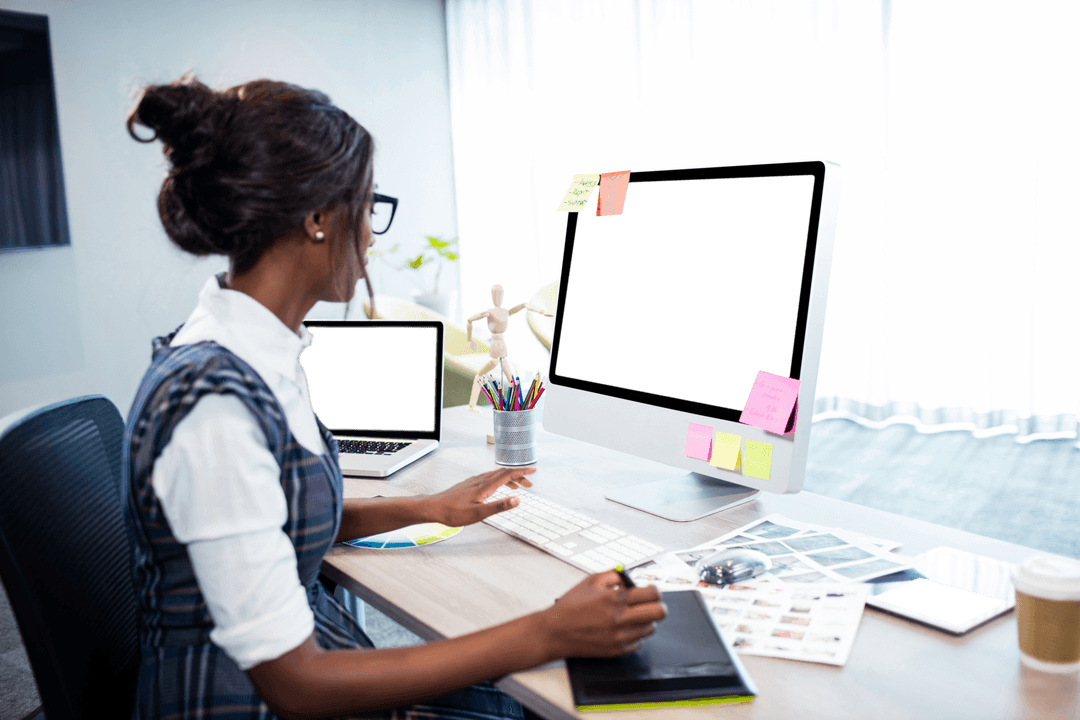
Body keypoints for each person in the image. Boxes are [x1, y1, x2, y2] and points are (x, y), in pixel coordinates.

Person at [122, 74, 667, 720]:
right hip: (250, 702)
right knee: (540, 695)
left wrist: (431, 506)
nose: (373, 237)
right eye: (368, 204)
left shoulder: (256, 347)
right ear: (319, 219)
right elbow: (298, 686)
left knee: (527, 696)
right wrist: (546, 630)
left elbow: (279, 518)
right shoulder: (212, 405)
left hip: (304, 656)